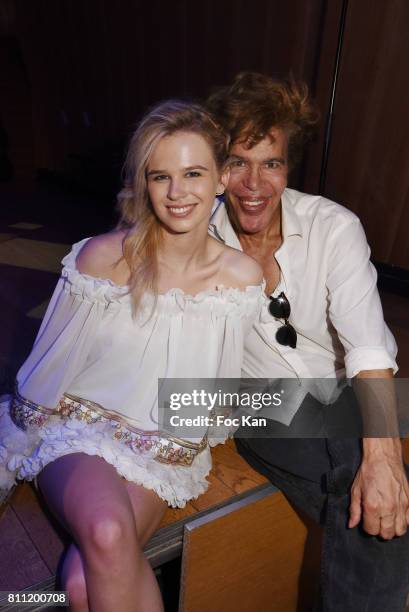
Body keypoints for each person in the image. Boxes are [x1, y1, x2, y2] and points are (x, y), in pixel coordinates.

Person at [0, 101, 264, 612]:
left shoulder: (239, 280)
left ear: (220, 179)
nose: (177, 192)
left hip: (156, 450)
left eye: (193, 173)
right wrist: (17, 443)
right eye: (161, 176)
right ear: (144, 184)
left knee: (81, 584)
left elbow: (215, 387)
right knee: (104, 527)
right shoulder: (100, 258)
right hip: (74, 432)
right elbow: (46, 376)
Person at [207, 72, 409, 611]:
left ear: (288, 167)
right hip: (253, 402)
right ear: (216, 170)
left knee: (367, 473)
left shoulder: (333, 227)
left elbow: (368, 346)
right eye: (237, 162)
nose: (255, 183)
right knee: (356, 474)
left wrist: (384, 458)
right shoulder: (195, 237)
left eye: (270, 163)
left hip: (338, 393)